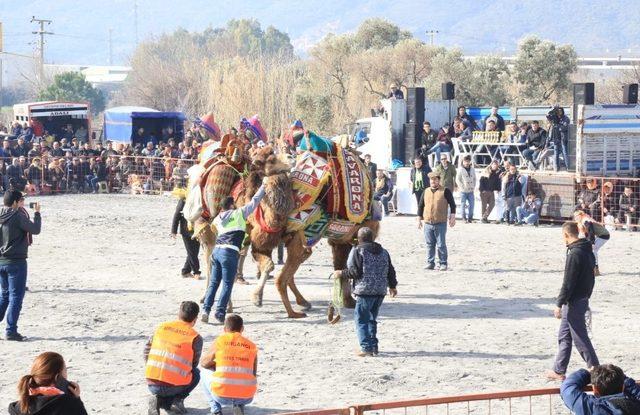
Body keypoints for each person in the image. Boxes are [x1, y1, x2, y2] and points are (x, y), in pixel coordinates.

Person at [202, 178, 267, 323]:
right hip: (229, 253)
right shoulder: (239, 213)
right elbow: (255, 201)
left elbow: (214, 230)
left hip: (216, 252)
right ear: (232, 205)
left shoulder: (217, 219)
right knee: (227, 284)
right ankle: (219, 313)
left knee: (213, 283)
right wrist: (264, 185)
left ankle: (205, 311)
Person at [546, 221, 599, 381]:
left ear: (566, 235)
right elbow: (592, 276)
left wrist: (559, 304)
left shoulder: (575, 253)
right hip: (581, 298)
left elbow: (568, 282)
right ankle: (558, 370)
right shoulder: (587, 249)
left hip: (574, 301)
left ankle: (595, 370)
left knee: (579, 337)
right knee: (564, 335)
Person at [333, 227, 397, 356]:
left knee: (361, 319)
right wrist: (392, 286)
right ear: (373, 238)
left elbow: (355, 272)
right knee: (372, 319)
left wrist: (340, 273)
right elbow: (390, 270)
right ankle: (374, 346)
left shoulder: (357, 251)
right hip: (380, 291)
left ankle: (366, 348)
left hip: (364, 291)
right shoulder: (384, 252)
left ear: (358, 238)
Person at [144, 301, 202, 415]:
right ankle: (177, 400)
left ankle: (158, 399)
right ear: (195, 319)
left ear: (178, 314)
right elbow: (193, 364)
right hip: (175, 386)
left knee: (165, 387)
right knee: (196, 374)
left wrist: (151, 365)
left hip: (152, 381)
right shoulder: (195, 337)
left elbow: (146, 350)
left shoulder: (162, 327)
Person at [0, 191, 41, 341]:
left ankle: (10, 329)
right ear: (15, 202)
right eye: (21, 200)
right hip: (16, 261)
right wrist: (37, 214)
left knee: (4, 295)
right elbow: (35, 230)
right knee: (16, 297)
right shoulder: (17, 216)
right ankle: (11, 331)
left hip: (1, 260)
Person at [200, 314, 258, 415]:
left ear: (224, 329)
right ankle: (239, 406)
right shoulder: (252, 346)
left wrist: (217, 362)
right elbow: (253, 372)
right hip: (246, 397)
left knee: (203, 372)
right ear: (242, 329)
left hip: (221, 396)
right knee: (244, 375)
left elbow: (204, 363)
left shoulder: (220, 341)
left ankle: (216, 410)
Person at [8, 351, 87, 415]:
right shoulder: (68, 404)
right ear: (57, 377)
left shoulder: (19, 407)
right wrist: (77, 400)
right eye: (65, 370)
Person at [560, 365, 640, 414]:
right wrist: (621, 377)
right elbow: (636, 391)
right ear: (623, 387)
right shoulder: (636, 403)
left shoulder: (591, 407)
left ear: (595, 390)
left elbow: (568, 388)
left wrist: (588, 373)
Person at [417, 172, 456, 271]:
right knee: (429, 244)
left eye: (435, 179)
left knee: (441, 244)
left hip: (440, 222)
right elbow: (421, 206)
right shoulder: (426, 191)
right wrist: (419, 219)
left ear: (439, 180)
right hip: (427, 223)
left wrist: (452, 217)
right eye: (431, 180)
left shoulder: (445, 191)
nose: (433, 181)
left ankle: (443, 263)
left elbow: (452, 204)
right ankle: (430, 263)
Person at [172, 195, 201, 279]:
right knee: (192, 252)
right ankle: (196, 271)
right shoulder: (183, 199)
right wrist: (174, 231)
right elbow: (177, 214)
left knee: (194, 251)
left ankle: (185, 271)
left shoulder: (199, 199)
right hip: (185, 230)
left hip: (197, 229)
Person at [574, 210, 610, 276]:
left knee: (593, 250)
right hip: (600, 235)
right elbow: (588, 233)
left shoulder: (585, 220)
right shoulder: (584, 220)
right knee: (590, 249)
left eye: (576, 216)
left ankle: (596, 270)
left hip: (604, 235)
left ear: (580, 215)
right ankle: (591, 268)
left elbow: (591, 232)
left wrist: (592, 243)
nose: (575, 218)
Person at [547, 106, 571, 171]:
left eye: (560, 110)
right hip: (556, 137)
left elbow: (564, 127)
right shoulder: (555, 117)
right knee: (556, 153)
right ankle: (556, 168)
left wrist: (557, 126)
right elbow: (548, 115)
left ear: (562, 111)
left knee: (565, 153)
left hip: (563, 138)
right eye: (558, 111)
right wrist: (553, 110)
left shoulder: (565, 118)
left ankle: (568, 168)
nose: (559, 112)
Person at [455, 155, 476, 223]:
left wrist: (473, 186)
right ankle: (463, 218)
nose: (466, 163)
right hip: (463, 191)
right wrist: (462, 187)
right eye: (465, 161)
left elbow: (474, 178)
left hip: (471, 190)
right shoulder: (460, 169)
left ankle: (470, 218)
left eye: (468, 161)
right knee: (463, 205)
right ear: (463, 162)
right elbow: (457, 180)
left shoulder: (472, 169)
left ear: (470, 162)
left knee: (472, 205)